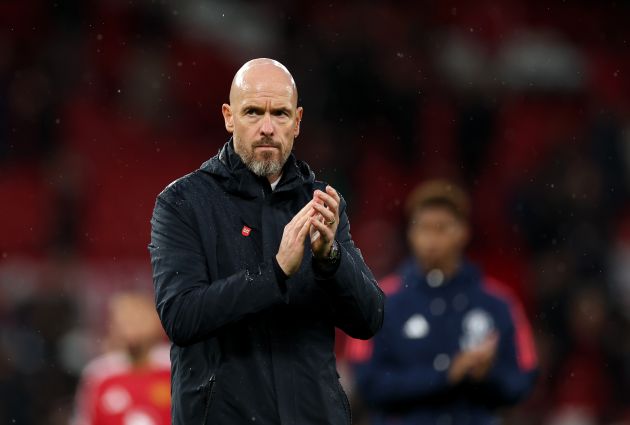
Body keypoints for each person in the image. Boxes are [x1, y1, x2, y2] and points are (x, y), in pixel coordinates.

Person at [148, 58, 384, 425]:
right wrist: (274, 275)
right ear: (229, 117)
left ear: (298, 121)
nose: (267, 127)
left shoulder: (320, 202)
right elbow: (181, 317)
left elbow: (369, 319)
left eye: (280, 114)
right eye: (253, 112)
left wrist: (330, 259)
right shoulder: (183, 202)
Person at [350, 180, 538, 425]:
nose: (432, 240)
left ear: (463, 232)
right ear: (410, 233)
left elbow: (523, 379)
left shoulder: (498, 303)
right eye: (424, 228)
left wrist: (485, 376)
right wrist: (445, 375)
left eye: (442, 228)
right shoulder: (379, 300)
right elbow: (367, 383)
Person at [72, 292, 171, 425]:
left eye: (138, 317)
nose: (131, 325)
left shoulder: (176, 368)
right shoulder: (98, 374)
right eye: (125, 318)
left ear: (157, 322)